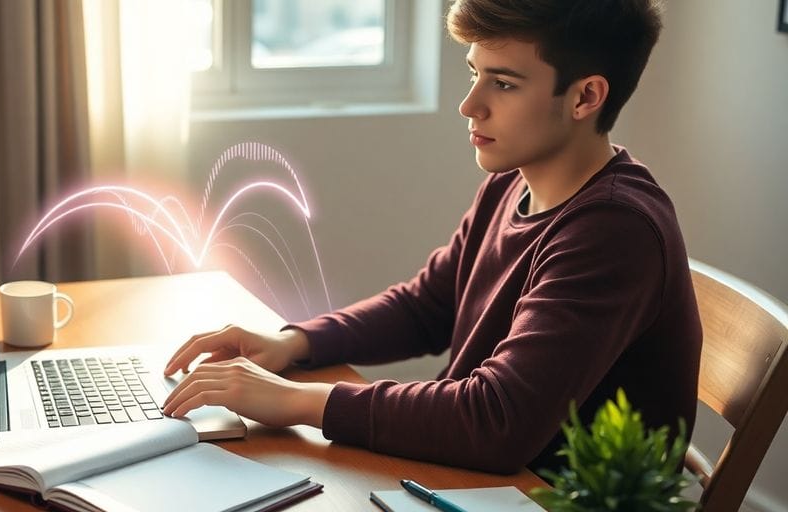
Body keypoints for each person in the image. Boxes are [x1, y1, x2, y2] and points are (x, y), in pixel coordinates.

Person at [162, 0, 702, 474]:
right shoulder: (511, 182)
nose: (470, 105)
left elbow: (497, 420)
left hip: (539, 494)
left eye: (505, 83)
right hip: (475, 480)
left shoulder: (613, 230)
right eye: (475, 73)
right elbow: (427, 306)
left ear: (586, 97)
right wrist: (293, 343)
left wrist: (303, 403)